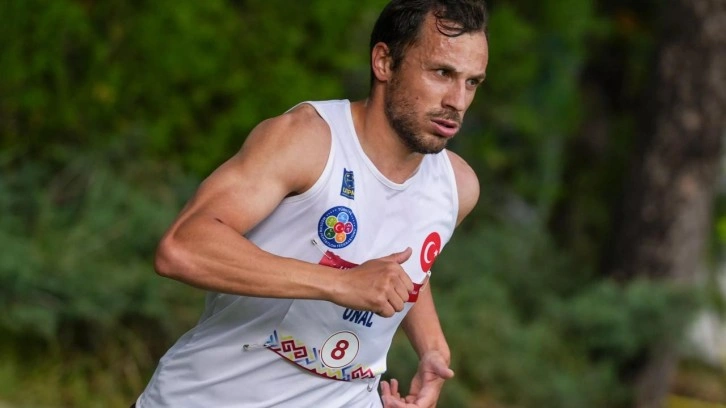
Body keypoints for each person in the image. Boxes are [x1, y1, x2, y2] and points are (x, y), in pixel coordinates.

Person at [133, 0, 488, 406]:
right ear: (384, 62)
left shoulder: (457, 187)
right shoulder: (307, 141)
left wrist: (432, 347)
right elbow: (181, 248)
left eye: (472, 82)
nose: (458, 101)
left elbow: (405, 267)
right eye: (442, 73)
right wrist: (340, 283)